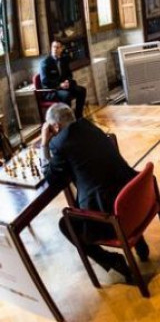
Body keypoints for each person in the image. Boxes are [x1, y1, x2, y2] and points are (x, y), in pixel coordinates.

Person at [42, 103, 143, 282]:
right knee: (90, 190)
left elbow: (53, 179)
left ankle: (114, 261)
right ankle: (139, 241)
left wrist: (44, 144)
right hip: (134, 197)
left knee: (66, 224)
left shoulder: (59, 143)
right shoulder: (89, 126)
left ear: (55, 127)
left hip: (112, 213)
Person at [39, 40, 87, 118]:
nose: (55, 49)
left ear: (61, 49)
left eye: (57, 47)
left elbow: (69, 75)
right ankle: (68, 119)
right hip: (51, 90)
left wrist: (67, 81)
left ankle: (78, 116)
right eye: (53, 47)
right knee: (66, 95)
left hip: (63, 87)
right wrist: (60, 85)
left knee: (81, 90)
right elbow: (45, 81)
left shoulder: (63, 60)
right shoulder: (45, 62)